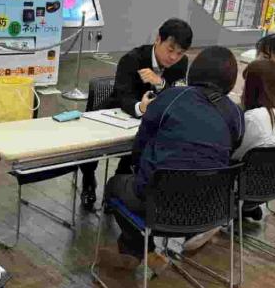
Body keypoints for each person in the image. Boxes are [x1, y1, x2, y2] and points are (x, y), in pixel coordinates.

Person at [102, 46, 243, 272]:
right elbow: (228, 152)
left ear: (195, 71)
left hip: (159, 203)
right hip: (210, 208)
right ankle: (164, 246)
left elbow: (140, 148)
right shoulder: (235, 114)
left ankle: (139, 249)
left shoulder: (171, 98)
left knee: (114, 185)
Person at [79, 18, 192, 210]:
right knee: (91, 145)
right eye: (170, 50)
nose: (173, 57)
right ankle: (88, 180)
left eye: (180, 53)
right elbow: (123, 95)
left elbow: (177, 95)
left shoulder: (181, 64)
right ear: (158, 39)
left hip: (149, 122)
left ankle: (117, 187)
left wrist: (160, 83)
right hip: (117, 112)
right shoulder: (132, 59)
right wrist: (140, 107)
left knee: (143, 144)